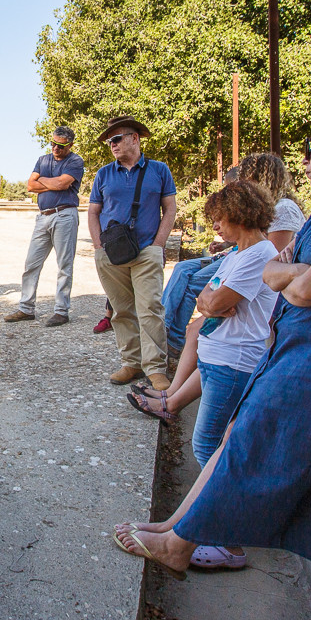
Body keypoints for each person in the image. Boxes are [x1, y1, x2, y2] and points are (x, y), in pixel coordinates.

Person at [112, 107, 311, 578]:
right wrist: (300, 273)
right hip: (303, 350)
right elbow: (273, 271)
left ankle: (179, 545)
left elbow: (301, 288)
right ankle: (175, 526)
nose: (305, 158)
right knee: (234, 436)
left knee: (248, 441)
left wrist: (299, 275)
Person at [126, 181, 279, 569]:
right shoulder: (238, 254)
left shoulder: (258, 255)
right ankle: (198, 527)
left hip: (234, 363)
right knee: (212, 447)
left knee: (210, 448)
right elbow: (206, 298)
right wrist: (213, 302)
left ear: (240, 215)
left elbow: (217, 300)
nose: (216, 228)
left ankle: (229, 542)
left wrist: (214, 302)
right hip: (218, 358)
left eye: (220, 220)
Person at [162, 153, 305, 356]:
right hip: (236, 255)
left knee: (192, 282)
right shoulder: (272, 208)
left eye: (246, 178)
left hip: (256, 276)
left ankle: (171, 339)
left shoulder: (284, 209)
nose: (241, 184)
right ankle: (168, 333)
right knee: (182, 268)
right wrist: (226, 247)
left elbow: (270, 257)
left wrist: (219, 299)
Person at [88, 116, 177, 389]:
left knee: (150, 308)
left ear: (134, 138)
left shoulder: (159, 170)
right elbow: (93, 212)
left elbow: (170, 208)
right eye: (109, 141)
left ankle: (156, 369)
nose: (111, 145)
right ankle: (132, 363)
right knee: (121, 311)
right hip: (111, 253)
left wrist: (158, 245)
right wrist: (98, 247)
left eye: (116, 139)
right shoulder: (103, 173)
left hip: (146, 251)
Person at [4, 126, 85, 326]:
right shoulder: (43, 159)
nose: (55, 148)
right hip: (43, 216)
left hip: (65, 214)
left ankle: (61, 311)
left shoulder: (75, 161)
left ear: (70, 145)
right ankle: (26, 308)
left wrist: (45, 180)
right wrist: (54, 182)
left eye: (60, 145)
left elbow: (62, 185)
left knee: (64, 265)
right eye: (53, 143)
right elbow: (30, 186)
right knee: (31, 263)